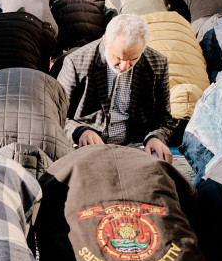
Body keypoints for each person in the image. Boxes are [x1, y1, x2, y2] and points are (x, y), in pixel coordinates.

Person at [56, 13, 175, 161]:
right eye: (117, 57)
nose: (124, 66)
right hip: (87, 145)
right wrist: (80, 131)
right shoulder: (77, 62)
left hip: (137, 144)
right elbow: (56, 115)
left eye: (133, 59)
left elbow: (165, 119)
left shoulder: (157, 63)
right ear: (105, 41)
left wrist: (156, 137)